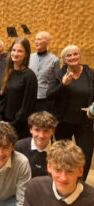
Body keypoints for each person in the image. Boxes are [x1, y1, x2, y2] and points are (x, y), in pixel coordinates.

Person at [47, 45, 94, 181]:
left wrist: (92, 108)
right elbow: (49, 95)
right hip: (63, 123)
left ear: (80, 56)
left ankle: (81, 184)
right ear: (64, 59)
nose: (73, 57)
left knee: (85, 154)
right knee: (63, 155)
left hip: (85, 123)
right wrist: (63, 85)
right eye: (69, 55)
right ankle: (64, 181)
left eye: (75, 54)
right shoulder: (58, 74)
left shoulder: (90, 73)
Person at [24, 140, 94, 206]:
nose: (63, 178)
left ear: (80, 171)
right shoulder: (35, 188)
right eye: (57, 170)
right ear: (49, 167)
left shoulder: (91, 200)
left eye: (70, 171)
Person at [0, 37, 38, 139]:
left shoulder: (30, 76)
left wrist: (12, 124)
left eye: (20, 51)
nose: (15, 53)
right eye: (14, 50)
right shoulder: (8, 72)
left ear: (26, 54)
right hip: (4, 123)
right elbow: (1, 98)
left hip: (19, 126)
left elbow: (27, 107)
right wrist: (0, 119)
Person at [15, 111, 58, 177]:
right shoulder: (19, 146)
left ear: (53, 131)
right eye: (37, 130)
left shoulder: (59, 151)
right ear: (31, 130)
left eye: (46, 131)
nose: (41, 135)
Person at [29, 31, 60, 112]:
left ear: (47, 42)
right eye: (35, 39)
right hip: (30, 97)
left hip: (46, 100)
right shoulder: (29, 57)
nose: (36, 42)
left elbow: (56, 81)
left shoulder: (54, 60)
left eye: (39, 39)